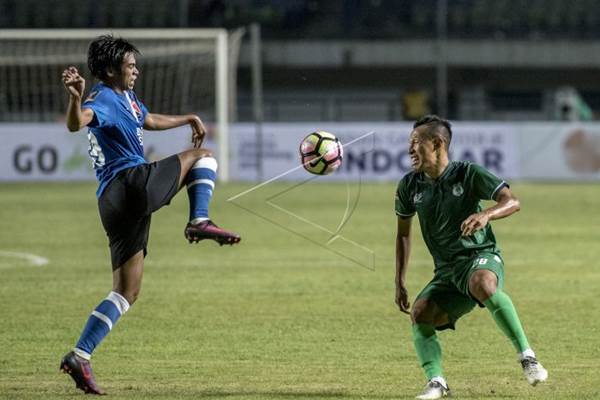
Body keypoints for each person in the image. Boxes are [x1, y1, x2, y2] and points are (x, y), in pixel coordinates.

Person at [59, 34, 240, 395]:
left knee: (127, 291)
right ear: (110, 70)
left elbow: (147, 119)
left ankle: (80, 355)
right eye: (130, 66)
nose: (136, 71)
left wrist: (188, 117)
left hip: (112, 202)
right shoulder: (103, 97)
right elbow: (78, 122)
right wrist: (77, 97)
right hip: (129, 183)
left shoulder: (125, 97)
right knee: (202, 157)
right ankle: (198, 220)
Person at [394, 115, 547, 399]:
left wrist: (485, 214)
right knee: (420, 313)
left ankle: (528, 357)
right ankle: (437, 382)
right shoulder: (409, 186)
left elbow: (512, 201)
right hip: (447, 271)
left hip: (480, 256)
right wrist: (399, 280)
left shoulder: (467, 173)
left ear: (437, 143)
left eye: (415, 143)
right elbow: (403, 233)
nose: (409, 149)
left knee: (483, 283)